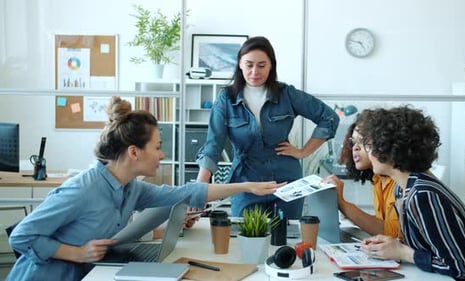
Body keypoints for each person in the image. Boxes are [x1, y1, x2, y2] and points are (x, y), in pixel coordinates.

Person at [7, 97, 284, 281]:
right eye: (157, 146)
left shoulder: (131, 188)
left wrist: (247, 186)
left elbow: (189, 192)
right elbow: (21, 237)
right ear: (134, 152)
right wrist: (77, 253)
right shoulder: (83, 190)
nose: (162, 154)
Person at [195, 36, 339, 219]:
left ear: (271, 66)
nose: (255, 71)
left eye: (262, 65)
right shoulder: (226, 98)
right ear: (239, 64)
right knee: (246, 237)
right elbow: (213, 145)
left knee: (285, 240)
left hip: (287, 182)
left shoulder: (287, 94)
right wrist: (200, 189)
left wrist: (303, 152)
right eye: (249, 65)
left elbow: (329, 118)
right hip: (246, 181)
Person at [356, 106, 465, 280]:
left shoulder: (422, 195)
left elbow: (462, 267)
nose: (368, 153)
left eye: (370, 146)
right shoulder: (405, 188)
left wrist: (402, 252)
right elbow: (430, 245)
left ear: (390, 150)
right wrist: (392, 246)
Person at [324, 121, 400, 237]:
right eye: (353, 142)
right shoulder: (378, 179)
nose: (355, 148)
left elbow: (392, 233)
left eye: (363, 142)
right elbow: (385, 223)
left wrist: (342, 204)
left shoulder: (399, 181)